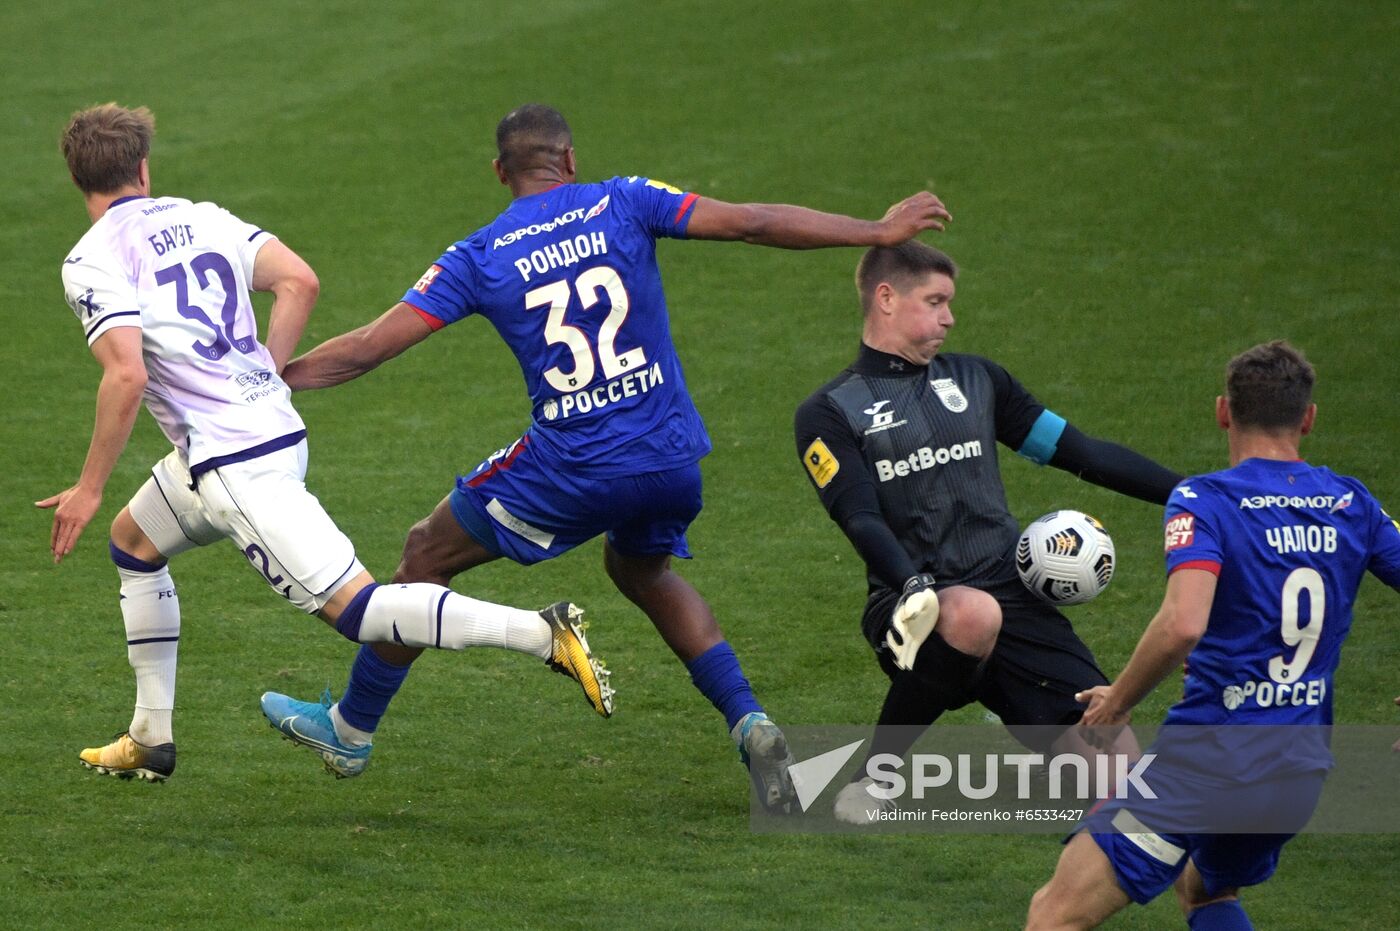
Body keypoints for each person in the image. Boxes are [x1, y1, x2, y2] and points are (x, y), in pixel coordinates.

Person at [257, 103, 952, 811]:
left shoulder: (482, 253)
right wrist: (878, 229)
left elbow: (371, 346)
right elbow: (752, 221)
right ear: (569, 160)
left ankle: (349, 728)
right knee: (641, 568)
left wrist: (265, 378)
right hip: (673, 459)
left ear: (501, 172)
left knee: (422, 556)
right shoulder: (626, 200)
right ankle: (752, 722)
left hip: (574, 469)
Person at [43, 103, 608, 783]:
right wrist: (265, 372)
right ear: (143, 167)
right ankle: (149, 736)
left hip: (235, 467)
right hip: (264, 432)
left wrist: (88, 486)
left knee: (362, 611)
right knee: (134, 541)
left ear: (78, 179)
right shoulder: (202, 216)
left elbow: (127, 373)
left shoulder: (91, 259)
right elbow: (298, 280)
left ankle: (543, 633)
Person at [792, 241, 1182, 822]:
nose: (950, 316)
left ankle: (1019, 718)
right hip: (912, 605)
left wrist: (1194, 494)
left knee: (1121, 771)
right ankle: (877, 777)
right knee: (972, 615)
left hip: (1013, 595)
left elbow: (1083, 454)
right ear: (886, 299)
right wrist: (912, 586)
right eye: (936, 301)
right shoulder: (830, 410)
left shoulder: (979, 382)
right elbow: (859, 517)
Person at [1026, 341, 1400, 930]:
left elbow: (1183, 623)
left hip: (1204, 766)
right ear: (1309, 418)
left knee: (1054, 915)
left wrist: (1116, 703)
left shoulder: (1206, 502)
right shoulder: (1354, 504)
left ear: (1223, 411)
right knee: (1204, 891)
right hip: (1296, 773)